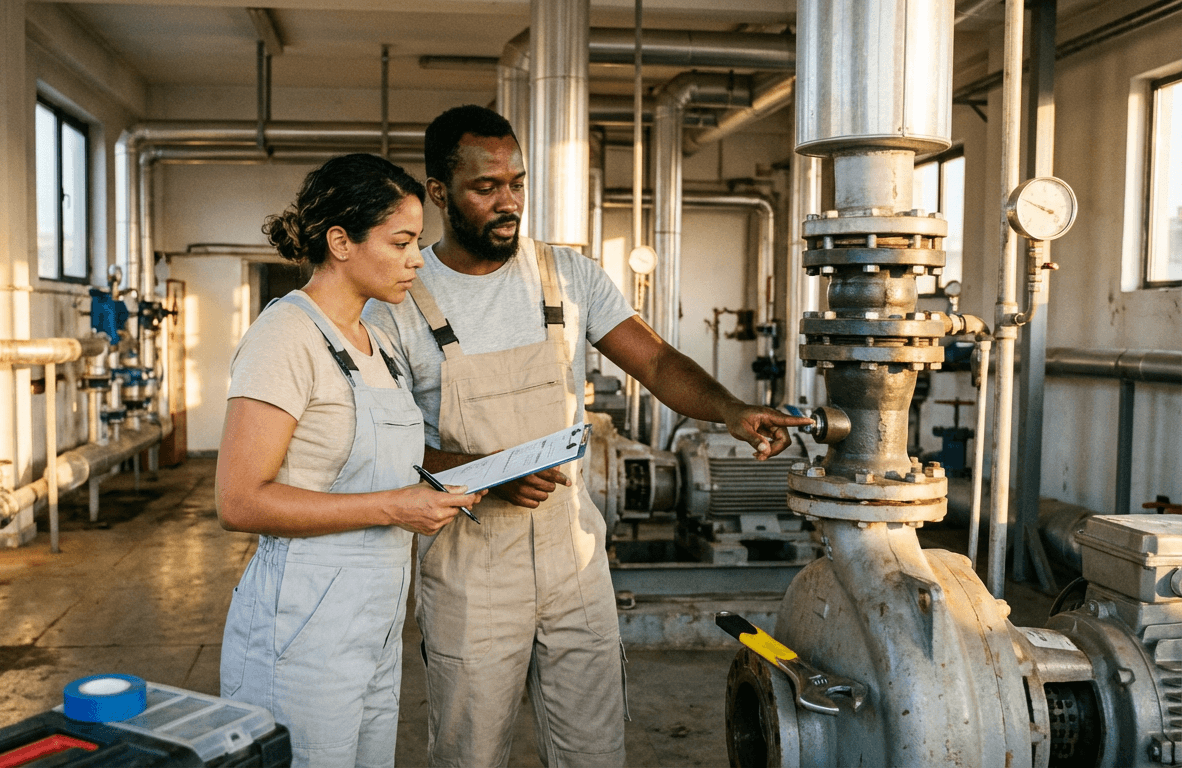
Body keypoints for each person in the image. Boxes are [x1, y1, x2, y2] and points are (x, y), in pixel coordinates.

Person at [363, 105, 812, 767]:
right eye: (486, 188)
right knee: (470, 753)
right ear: (438, 192)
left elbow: (656, 361)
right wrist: (489, 473)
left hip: (576, 560)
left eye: (516, 182)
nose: (508, 200)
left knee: (595, 751)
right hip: (471, 571)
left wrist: (731, 410)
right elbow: (384, 447)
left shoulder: (567, 276)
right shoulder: (399, 302)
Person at [216, 152, 484, 768]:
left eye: (417, 241)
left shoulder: (379, 345)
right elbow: (239, 500)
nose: (418, 258)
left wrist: (480, 471)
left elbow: (395, 463)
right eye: (402, 241)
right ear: (341, 241)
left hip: (376, 620)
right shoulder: (285, 336)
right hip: (303, 624)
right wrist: (396, 506)